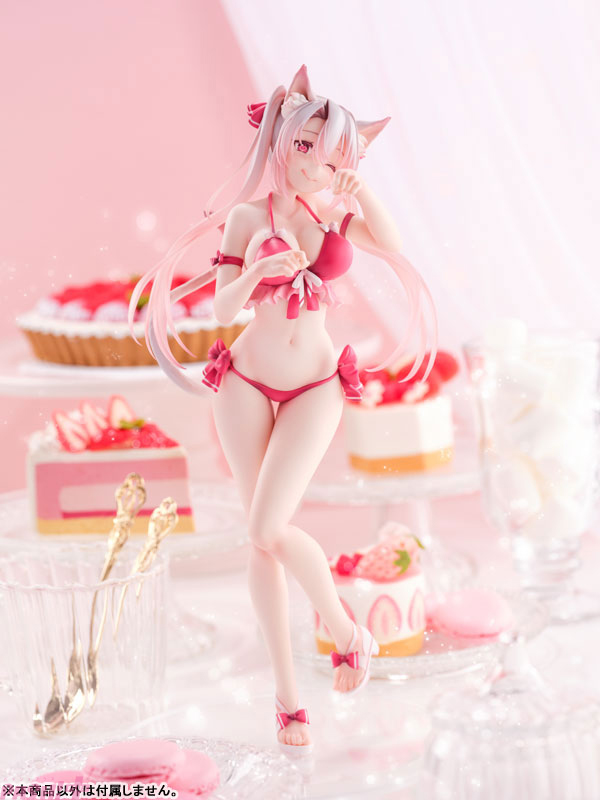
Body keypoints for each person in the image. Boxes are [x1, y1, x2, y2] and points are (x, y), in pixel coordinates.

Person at [129, 65, 437, 755]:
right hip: (245, 381)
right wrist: (253, 274)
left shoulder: (335, 214)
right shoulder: (249, 218)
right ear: (281, 141)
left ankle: (344, 629)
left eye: (329, 156)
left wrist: (361, 190)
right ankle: (288, 699)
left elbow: (391, 245)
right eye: (304, 146)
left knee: (268, 525)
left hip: (315, 385)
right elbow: (220, 310)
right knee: (260, 538)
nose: (312, 164)